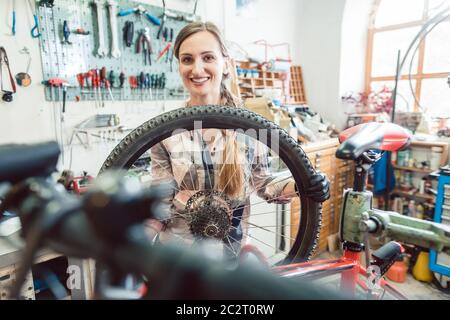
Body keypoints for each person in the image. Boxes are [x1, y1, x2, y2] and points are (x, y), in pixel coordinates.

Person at [147, 22, 329, 257]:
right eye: (187, 59)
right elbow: (160, 202)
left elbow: (264, 183)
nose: (197, 69)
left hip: (229, 254)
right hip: (178, 256)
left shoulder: (251, 126)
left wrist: (303, 185)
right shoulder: (164, 130)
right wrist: (130, 238)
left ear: (226, 65)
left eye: (208, 57)